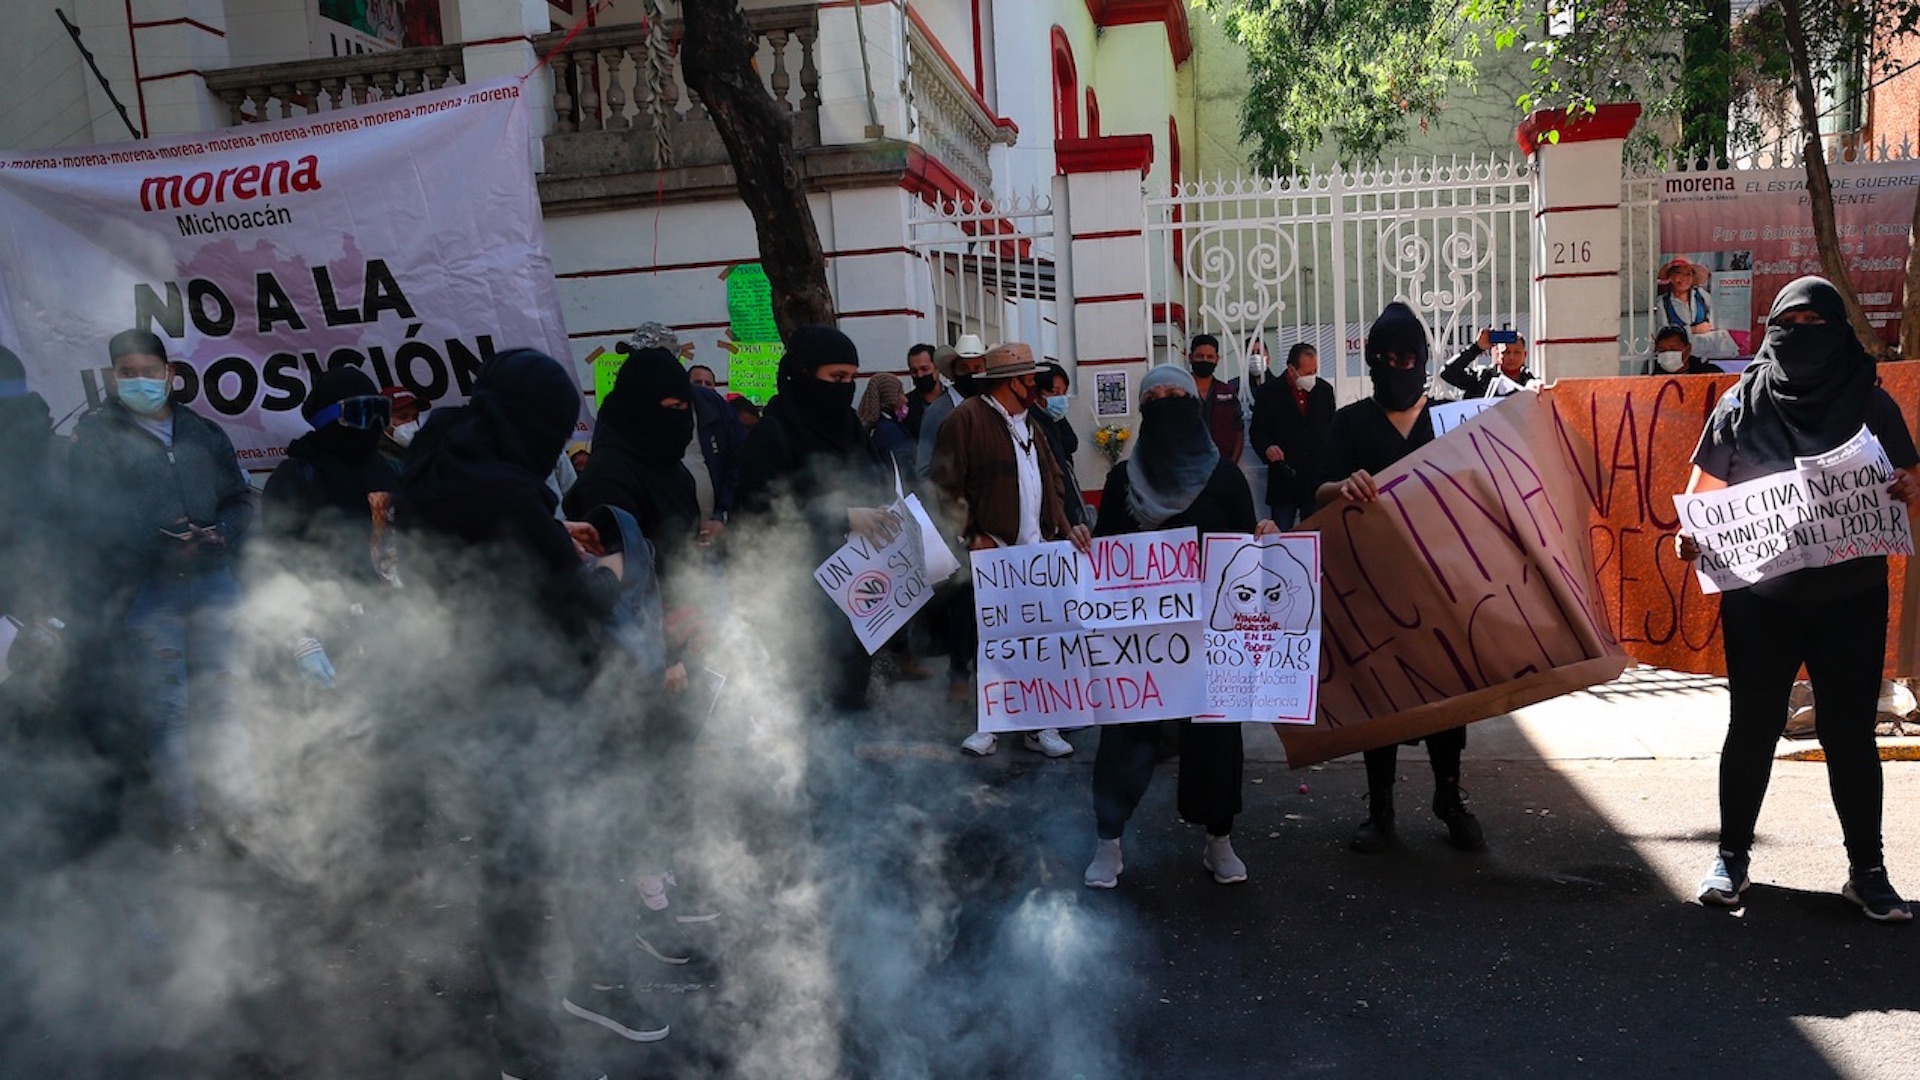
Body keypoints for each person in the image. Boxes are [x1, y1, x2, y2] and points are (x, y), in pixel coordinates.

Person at [395, 349, 656, 1071]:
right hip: (532, 699)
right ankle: (534, 1032)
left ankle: (546, 1006)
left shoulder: (438, 462)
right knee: (546, 855)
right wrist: (610, 571)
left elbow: (480, 547)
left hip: (461, 692)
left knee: (514, 860)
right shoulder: (508, 493)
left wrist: (547, 533)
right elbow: (576, 601)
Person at [1676, 277, 1919, 922]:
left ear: (1840, 332)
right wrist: (1690, 535)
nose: (1803, 336)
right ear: (1771, 331)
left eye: (1817, 324)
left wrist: (1906, 490)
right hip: (1762, 604)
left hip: (1850, 601)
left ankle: (1868, 871)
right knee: (1752, 729)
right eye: (1791, 323)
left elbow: (1911, 484)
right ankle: (1731, 858)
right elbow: (1701, 495)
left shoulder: (1871, 403)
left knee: (1851, 735)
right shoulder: (1740, 404)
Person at [1083, 365, 1277, 889]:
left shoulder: (1224, 477)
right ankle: (1108, 843)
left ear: (1195, 405)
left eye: (1176, 395)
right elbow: (1105, 554)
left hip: (1209, 639)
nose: (1166, 404)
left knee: (1215, 738)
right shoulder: (1123, 481)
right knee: (1125, 735)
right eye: (1155, 398)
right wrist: (1084, 543)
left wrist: (1263, 535)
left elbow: (1246, 548)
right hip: (1141, 645)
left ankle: (1219, 841)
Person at [68, 329, 258, 849]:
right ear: (112, 378)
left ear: (170, 373)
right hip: (149, 593)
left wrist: (222, 532)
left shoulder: (203, 431)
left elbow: (240, 499)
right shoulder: (96, 438)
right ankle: (187, 822)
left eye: (150, 372)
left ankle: (241, 814)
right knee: (170, 711)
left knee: (225, 701)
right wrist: (158, 544)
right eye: (128, 373)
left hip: (214, 584)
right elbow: (91, 517)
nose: (141, 382)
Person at [1317, 303, 1486, 855]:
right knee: (1381, 697)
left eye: (1407, 358)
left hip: (1443, 584)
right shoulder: (1349, 423)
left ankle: (1449, 797)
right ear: (1371, 361)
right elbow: (1316, 493)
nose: (1397, 367)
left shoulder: (1451, 419)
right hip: (1374, 589)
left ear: (1423, 359)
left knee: (1448, 699)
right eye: (1386, 358)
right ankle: (1381, 810)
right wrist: (1343, 486)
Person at [931, 342, 1091, 755]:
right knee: (995, 642)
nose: (1038, 386)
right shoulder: (965, 419)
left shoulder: (1031, 424)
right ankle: (991, 726)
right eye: (1031, 379)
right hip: (995, 555)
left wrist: (1062, 525)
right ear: (1012, 382)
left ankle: (1042, 726)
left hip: (1037, 553)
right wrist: (972, 536)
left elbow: (1053, 479)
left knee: (1041, 641)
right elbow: (944, 488)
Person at [735, 325, 899, 711]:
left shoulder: (851, 428)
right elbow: (757, 512)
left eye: (852, 378)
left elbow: (876, 480)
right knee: (810, 707)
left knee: (850, 700)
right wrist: (841, 516)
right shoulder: (773, 433)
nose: (845, 388)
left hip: (856, 596)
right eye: (836, 377)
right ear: (805, 374)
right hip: (798, 603)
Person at [564, 345, 703, 694]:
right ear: (641, 407)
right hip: (640, 658)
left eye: (685, 408)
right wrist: (666, 655)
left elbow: (684, 551)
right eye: (672, 408)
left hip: (685, 633)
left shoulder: (673, 470)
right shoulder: (608, 477)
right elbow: (621, 583)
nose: (681, 419)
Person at [258, 367, 401, 686]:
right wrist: (301, 637)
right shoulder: (297, 476)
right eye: (362, 414)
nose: (374, 425)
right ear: (328, 419)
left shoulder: (389, 471)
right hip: (327, 626)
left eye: (380, 412)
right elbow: (274, 563)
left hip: (390, 626)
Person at [1249, 342, 1336, 528]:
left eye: (1314, 371)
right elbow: (1257, 432)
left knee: (1314, 535)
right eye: (1306, 373)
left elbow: (1331, 429)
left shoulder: (1324, 391)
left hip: (1315, 480)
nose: (1311, 377)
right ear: (1291, 369)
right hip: (1284, 479)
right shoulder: (1268, 393)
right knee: (1280, 536)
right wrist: (1267, 448)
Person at [915, 334, 989, 478]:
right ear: (954, 372)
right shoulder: (937, 413)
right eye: (964, 368)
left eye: (977, 368)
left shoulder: (989, 406)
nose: (971, 374)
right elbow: (924, 470)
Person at [1032, 363, 1085, 528]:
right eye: (1054, 392)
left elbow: (1072, 443)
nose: (1060, 399)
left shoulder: (1056, 419)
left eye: (1064, 392)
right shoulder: (1033, 423)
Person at [1656, 257, 1736, 358]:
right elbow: (1663, 332)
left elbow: (1717, 315)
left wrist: (1710, 325)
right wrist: (1692, 330)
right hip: (1681, 352)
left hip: (1708, 346)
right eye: (1678, 273)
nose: (1684, 278)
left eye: (1688, 274)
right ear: (1671, 276)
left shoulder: (1701, 295)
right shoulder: (1662, 302)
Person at [1187, 334, 1245, 464]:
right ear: (1190, 358)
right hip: (1188, 467)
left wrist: (1231, 464)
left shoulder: (1227, 392)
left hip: (1222, 464)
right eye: (1199, 356)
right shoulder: (1180, 391)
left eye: (1210, 357)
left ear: (1217, 359)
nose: (1205, 360)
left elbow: (1239, 430)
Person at [1440, 328, 1537, 398]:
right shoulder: (1482, 378)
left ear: (1525, 355)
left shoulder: (1532, 384)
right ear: (1497, 354)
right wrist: (1476, 348)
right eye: (1506, 352)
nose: (1511, 357)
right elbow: (1447, 372)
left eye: (1517, 352)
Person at [859, 371, 916, 482]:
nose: (905, 399)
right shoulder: (888, 431)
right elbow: (904, 468)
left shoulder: (881, 426)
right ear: (890, 398)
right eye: (900, 393)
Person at [1644, 324, 1725, 376]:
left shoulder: (1709, 373)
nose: (1668, 353)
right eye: (1663, 350)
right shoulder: (1652, 374)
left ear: (1688, 349)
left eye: (1673, 349)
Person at [378, 385, 428, 464]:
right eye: (403, 417)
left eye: (415, 417)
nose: (411, 422)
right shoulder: (376, 459)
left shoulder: (424, 449)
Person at [902, 343, 939, 440]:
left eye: (924, 369)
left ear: (937, 368)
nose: (920, 375)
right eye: (914, 371)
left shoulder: (954, 400)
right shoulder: (905, 405)